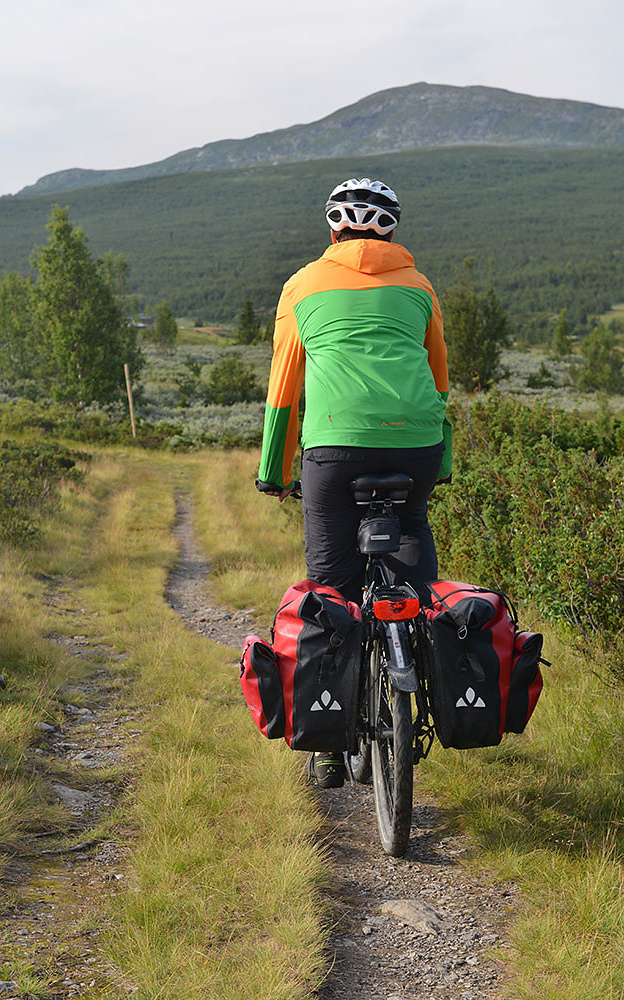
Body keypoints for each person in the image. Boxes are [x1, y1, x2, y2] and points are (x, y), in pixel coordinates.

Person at [257, 177, 451, 788]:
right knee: (413, 533)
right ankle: (420, 656)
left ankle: (331, 748)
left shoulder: (302, 285)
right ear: (393, 230)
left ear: (332, 230)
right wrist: (439, 465)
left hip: (335, 449)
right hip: (417, 443)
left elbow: (284, 390)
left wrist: (273, 471)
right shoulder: (419, 287)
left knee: (331, 585)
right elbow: (439, 379)